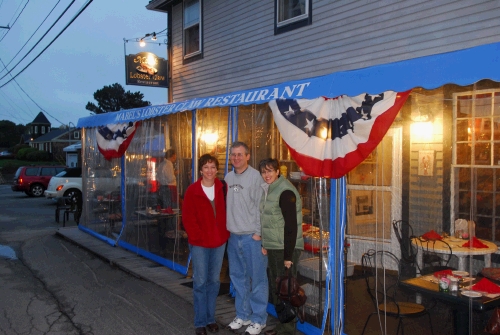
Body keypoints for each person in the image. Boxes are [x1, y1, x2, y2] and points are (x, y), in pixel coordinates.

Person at [182, 154, 229, 335]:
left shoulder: (222, 188)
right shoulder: (192, 191)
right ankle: (200, 321)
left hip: (219, 242)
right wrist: (198, 236)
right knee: (200, 282)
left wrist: (225, 234)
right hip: (200, 243)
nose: (209, 171)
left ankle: (210, 318)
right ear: (200, 170)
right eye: (206, 167)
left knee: (214, 281)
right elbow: (187, 218)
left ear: (217, 170)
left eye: (212, 167)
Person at [225, 141, 268, 335]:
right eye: (233, 154)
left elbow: (263, 208)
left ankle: (259, 319)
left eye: (240, 154)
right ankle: (243, 315)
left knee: (257, 279)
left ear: (248, 156)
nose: (236, 158)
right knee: (238, 279)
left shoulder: (256, 177)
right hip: (234, 237)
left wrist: (259, 234)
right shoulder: (227, 178)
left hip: (252, 237)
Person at [258, 158, 303, 335]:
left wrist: (288, 257)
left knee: (286, 290)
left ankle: (288, 330)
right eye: (263, 172)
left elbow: (291, 226)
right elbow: (270, 220)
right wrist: (265, 243)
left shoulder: (284, 191)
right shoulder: (272, 189)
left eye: (270, 171)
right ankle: (283, 325)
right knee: (279, 288)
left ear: (278, 171)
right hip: (275, 246)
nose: (266, 175)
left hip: (285, 248)